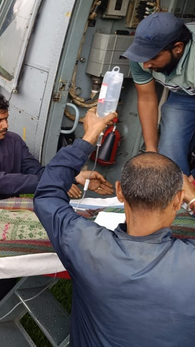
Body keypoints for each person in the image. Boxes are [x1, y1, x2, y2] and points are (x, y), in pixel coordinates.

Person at [34, 108, 195, 346]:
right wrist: (193, 199)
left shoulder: (85, 245)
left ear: (119, 191)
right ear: (177, 200)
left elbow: (47, 196)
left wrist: (89, 137)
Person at [0, 91, 112, 336]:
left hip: (13, 219)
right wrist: (53, 183)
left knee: (6, 278)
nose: (5, 125)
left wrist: (72, 176)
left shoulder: (15, 141)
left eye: (6, 118)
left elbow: (37, 170)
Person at [122, 11, 195, 174]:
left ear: (178, 48)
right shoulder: (140, 58)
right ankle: (178, 193)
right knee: (169, 151)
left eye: (153, 57)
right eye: (142, 57)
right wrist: (151, 149)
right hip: (184, 95)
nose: (146, 64)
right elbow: (147, 99)